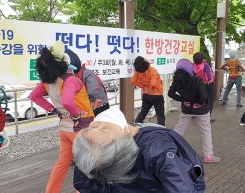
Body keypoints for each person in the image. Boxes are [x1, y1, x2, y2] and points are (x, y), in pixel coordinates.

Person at [73, 107, 205, 193]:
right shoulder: (97, 155)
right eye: (92, 127)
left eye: (103, 128)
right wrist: (85, 157)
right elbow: (83, 184)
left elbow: (182, 189)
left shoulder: (157, 150)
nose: (98, 124)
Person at [29, 40, 94, 193]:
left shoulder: (48, 81)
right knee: (87, 163)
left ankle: (52, 191)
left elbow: (34, 96)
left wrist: (53, 110)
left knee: (62, 163)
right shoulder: (70, 80)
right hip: (81, 128)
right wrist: (77, 114)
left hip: (64, 128)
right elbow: (67, 101)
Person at [168, 59, 220, 163]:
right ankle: (208, 155)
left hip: (187, 109)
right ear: (191, 69)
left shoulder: (177, 81)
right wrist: (200, 103)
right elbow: (204, 96)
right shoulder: (197, 80)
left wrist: (182, 100)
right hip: (201, 110)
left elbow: (171, 93)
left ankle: (169, 150)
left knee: (179, 130)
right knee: (206, 131)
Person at [66, 50, 109, 116]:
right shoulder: (78, 75)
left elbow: (92, 91)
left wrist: (91, 101)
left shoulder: (87, 73)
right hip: (92, 105)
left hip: (99, 105)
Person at [130, 56, 165, 126]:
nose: (146, 59)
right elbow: (153, 83)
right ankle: (161, 130)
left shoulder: (138, 72)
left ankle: (135, 127)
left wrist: (143, 86)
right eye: (144, 59)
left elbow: (132, 81)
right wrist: (151, 89)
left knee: (143, 112)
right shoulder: (152, 70)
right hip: (157, 95)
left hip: (146, 95)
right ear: (144, 62)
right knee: (160, 115)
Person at [193, 52, 215, 122]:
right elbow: (209, 75)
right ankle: (208, 117)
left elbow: (192, 74)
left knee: (199, 98)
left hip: (199, 84)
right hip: (208, 84)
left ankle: (196, 114)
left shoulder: (193, 65)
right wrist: (207, 80)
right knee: (210, 100)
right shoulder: (205, 64)